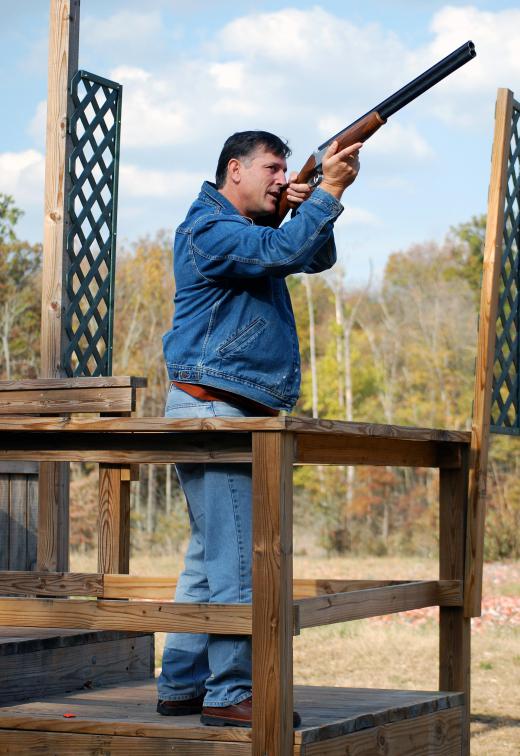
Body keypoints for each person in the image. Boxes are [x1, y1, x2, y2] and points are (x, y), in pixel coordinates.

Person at [157, 130, 361, 727]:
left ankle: (181, 685)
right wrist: (325, 193)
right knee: (240, 559)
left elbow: (313, 255)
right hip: (214, 409)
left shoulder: (249, 231)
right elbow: (283, 255)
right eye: (272, 169)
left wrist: (307, 203)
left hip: (226, 410)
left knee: (210, 557)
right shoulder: (210, 229)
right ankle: (229, 695)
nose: (279, 177)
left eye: (282, 169)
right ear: (234, 170)